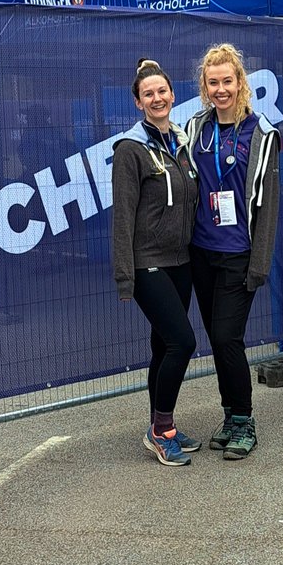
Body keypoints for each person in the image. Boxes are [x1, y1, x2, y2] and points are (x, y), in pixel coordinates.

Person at [185, 43, 280, 460]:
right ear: (204, 87)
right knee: (217, 338)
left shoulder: (261, 134)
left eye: (228, 81)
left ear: (241, 83)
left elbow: (269, 206)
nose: (220, 89)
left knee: (228, 337)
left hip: (239, 253)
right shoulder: (195, 129)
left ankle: (245, 420)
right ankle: (229, 417)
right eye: (213, 82)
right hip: (201, 253)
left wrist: (258, 264)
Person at [112, 58, 201, 467]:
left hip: (181, 260)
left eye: (162, 91)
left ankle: (161, 424)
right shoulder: (130, 149)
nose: (157, 98)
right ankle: (159, 431)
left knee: (164, 344)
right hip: (148, 261)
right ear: (137, 103)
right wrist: (125, 277)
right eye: (148, 94)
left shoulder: (180, 142)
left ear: (172, 94)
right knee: (183, 342)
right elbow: (123, 216)